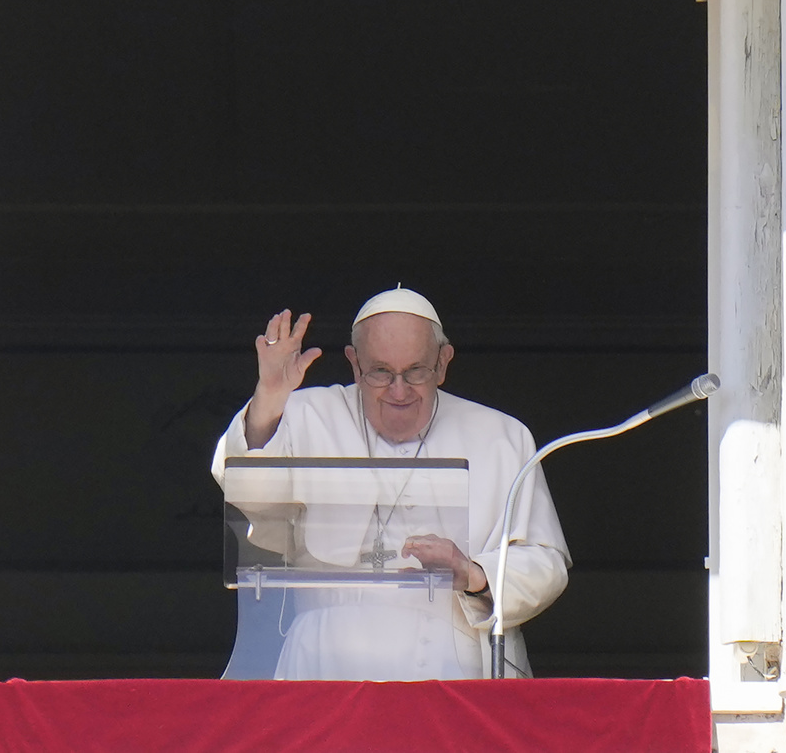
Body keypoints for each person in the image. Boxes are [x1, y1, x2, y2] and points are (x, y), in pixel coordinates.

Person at [212, 286, 570, 680]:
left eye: (416, 371)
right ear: (354, 363)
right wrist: (268, 397)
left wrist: (473, 574)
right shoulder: (304, 413)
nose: (399, 391)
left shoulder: (501, 435)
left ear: (443, 363)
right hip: (322, 664)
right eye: (380, 372)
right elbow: (248, 495)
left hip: (453, 666)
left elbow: (545, 562)